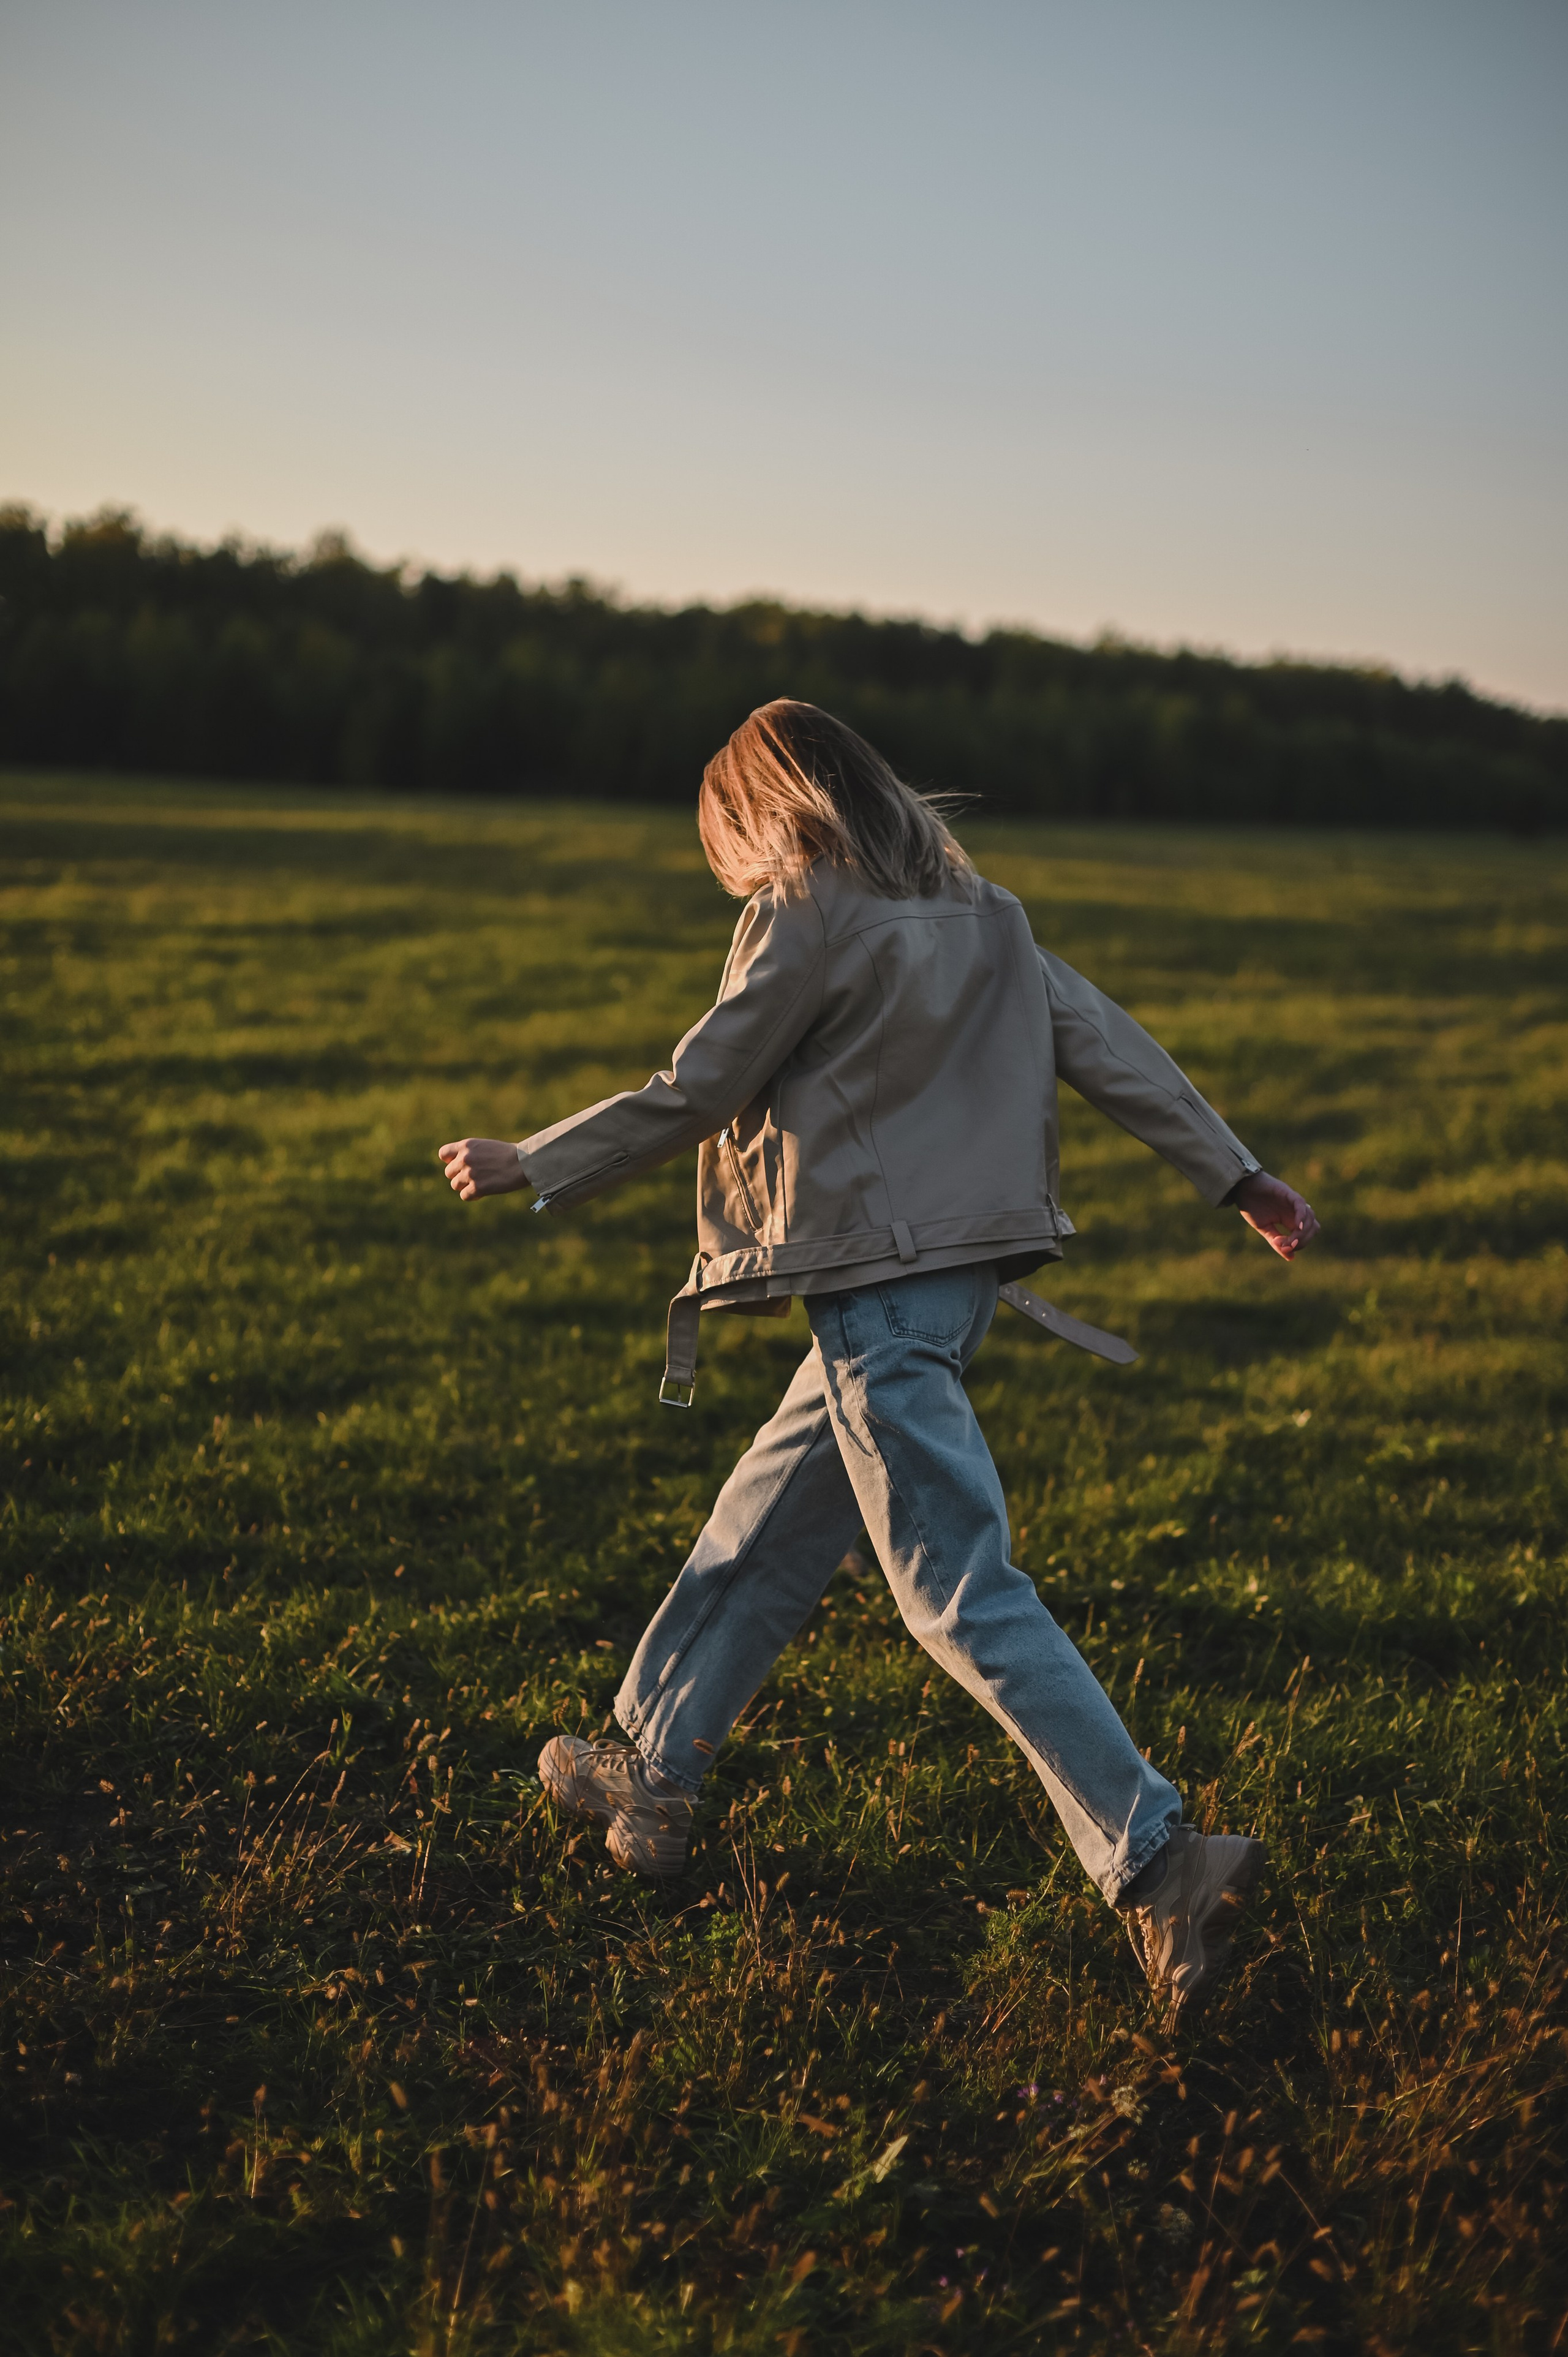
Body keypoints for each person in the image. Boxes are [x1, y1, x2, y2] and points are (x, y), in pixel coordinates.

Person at [439, 701, 1318, 2010]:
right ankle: (651, 1763)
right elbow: (1108, 1043)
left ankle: (1159, 1856)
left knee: (956, 1590)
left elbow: (703, 1082)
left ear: (758, 812)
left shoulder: (805, 905)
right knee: (772, 1520)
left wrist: (538, 1157)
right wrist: (1236, 1172)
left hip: (876, 1288)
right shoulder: (988, 913)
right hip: (949, 1288)